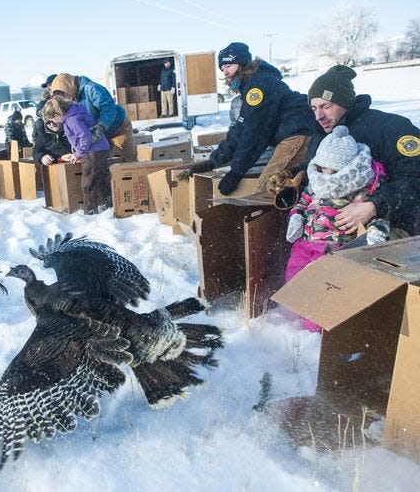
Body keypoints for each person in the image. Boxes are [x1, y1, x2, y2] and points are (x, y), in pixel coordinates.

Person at [268, 65, 420, 238]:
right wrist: (294, 175)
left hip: (382, 226)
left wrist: (374, 206)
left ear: (345, 102)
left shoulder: (390, 129)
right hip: (324, 229)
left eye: (326, 106)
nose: (318, 116)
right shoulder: (322, 134)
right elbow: (324, 170)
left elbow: (414, 178)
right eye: (313, 108)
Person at [285, 126, 389, 331]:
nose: (327, 174)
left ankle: (316, 329)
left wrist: (377, 232)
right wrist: (296, 216)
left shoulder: (360, 187)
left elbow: (377, 215)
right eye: (324, 168)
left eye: (334, 170)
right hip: (305, 244)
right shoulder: (316, 180)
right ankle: (292, 318)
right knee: (294, 279)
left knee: (323, 289)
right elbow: (304, 201)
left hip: (335, 249)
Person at [179, 42, 314, 195]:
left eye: (229, 66)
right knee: (273, 189)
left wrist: (235, 173)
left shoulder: (258, 86)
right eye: (223, 69)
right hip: (294, 134)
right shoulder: (253, 83)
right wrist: (214, 161)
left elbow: (255, 133)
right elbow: (241, 129)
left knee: (263, 190)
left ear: (242, 63)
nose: (226, 72)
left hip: (298, 135)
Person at [42, 95, 111, 214]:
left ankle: (90, 211)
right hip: (97, 149)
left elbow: (85, 137)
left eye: (52, 120)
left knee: (88, 183)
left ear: (57, 114)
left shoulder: (71, 119)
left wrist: (79, 153)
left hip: (93, 151)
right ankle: (106, 204)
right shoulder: (75, 112)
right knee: (98, 179)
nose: (53, 123)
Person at [50, 73, 136, 162]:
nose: (65, 98)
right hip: (99, 135)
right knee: (104, 163)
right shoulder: (71, 99)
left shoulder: (92, 89)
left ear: (68, 87)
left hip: (117, 127)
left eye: (63, 94)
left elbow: (108, 108)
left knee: (128, 159)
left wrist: (101, 127)